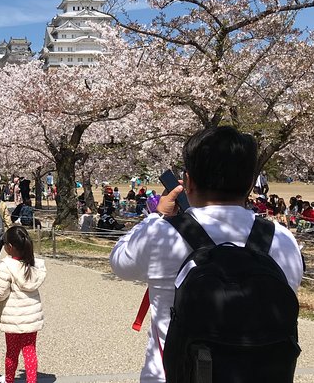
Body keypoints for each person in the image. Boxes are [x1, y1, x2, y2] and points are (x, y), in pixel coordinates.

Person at [109, 126, 303, 383]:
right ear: (249, 183)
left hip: (172, 376)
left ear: (188, 181)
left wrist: (155, 216)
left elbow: (119, 262)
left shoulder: (160, 234)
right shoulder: (281, 238)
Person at [0, 225, 46, 383]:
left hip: (13, 318)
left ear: (10, 247)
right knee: (30, 352)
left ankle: (9, 379)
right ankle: (32, 381)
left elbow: (0, 293)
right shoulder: (33, 265)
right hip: (31, 317)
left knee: (12, 354)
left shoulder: (6, 266)